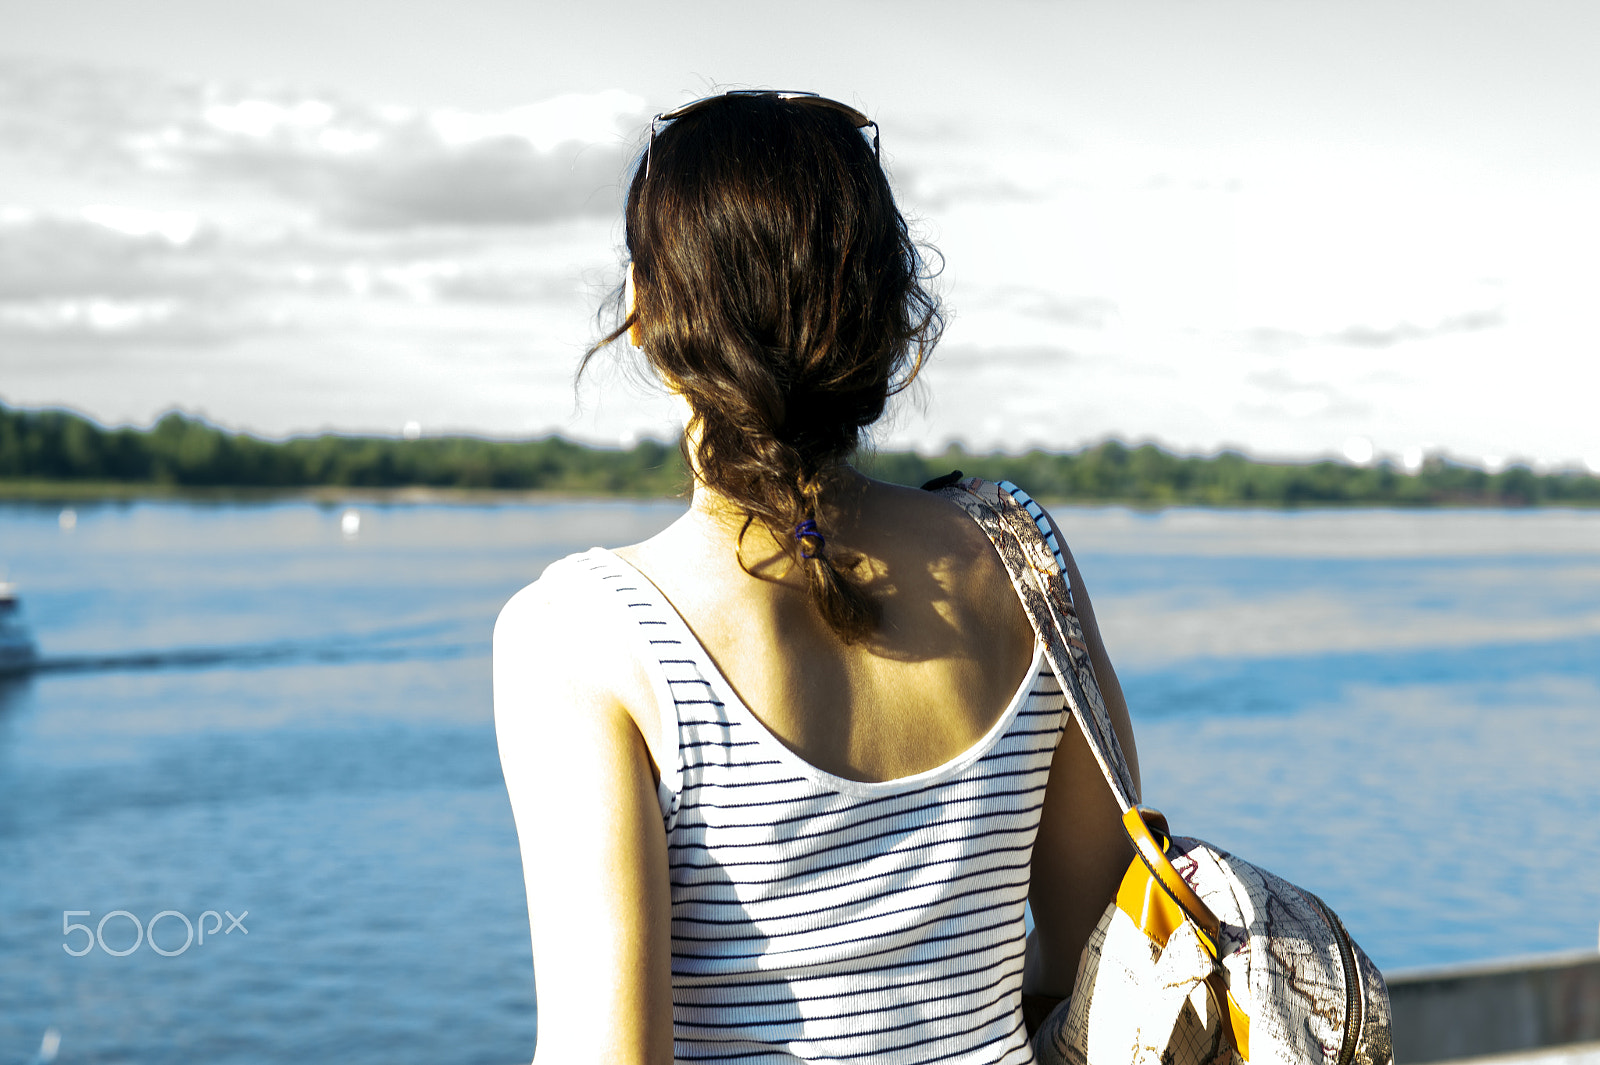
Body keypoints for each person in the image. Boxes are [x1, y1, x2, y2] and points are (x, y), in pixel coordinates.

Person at [493, 90, 1140, 1065]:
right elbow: (1105, 947)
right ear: (887, 316)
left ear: (645, 317)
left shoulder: (587, 636)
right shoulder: (1021, 556)